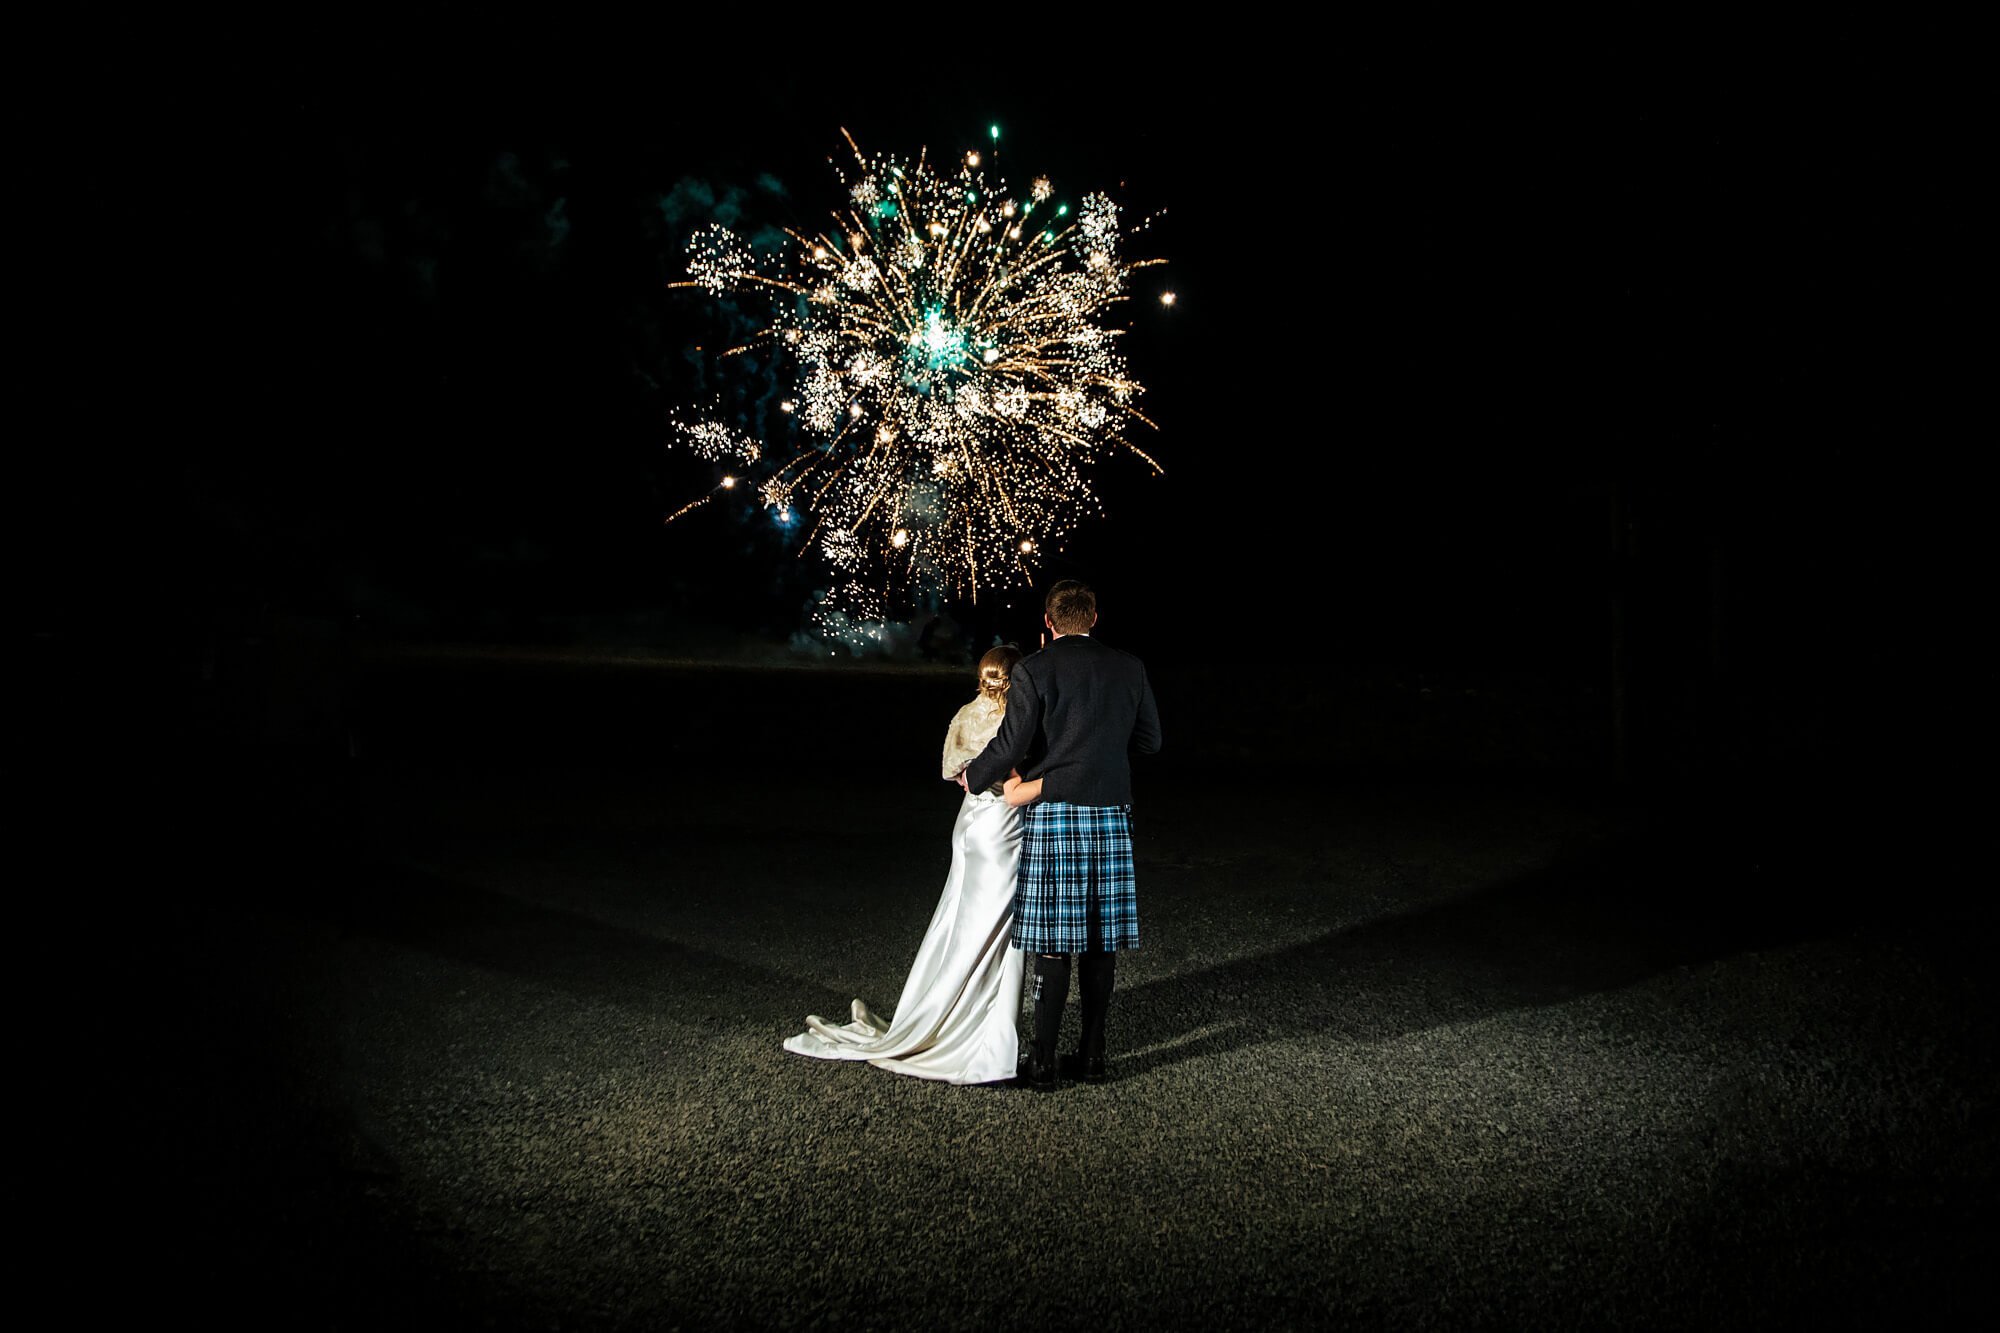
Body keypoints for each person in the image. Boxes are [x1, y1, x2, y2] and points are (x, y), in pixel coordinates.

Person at [781, 645, 1028, 1084]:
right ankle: (977, 1030)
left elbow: (955, 773)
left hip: (969, 821)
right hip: (1000, 829)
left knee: (959, 920)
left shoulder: (967, 713)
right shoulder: (1017, 724)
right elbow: (1013, 783)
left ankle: (945, 1010)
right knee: (992, 928)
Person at [961, 579, 1161, 1090]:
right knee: (1101, 938)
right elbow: (1150, 741)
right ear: (1094, 619)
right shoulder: (1130, 667)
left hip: (1055, 812)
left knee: (1053, 939)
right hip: (1112, 810)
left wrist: (974, 775)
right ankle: (1093, 1056)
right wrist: (1102, 760)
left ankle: (1043, 1062)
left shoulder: (1035, 668)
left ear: (1048, 624)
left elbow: (1011, 745)